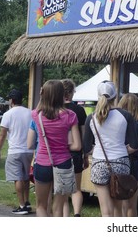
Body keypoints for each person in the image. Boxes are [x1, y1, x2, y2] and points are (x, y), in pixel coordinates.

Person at [83, 81, 138, 217]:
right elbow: (135, 145)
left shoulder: (91, 118)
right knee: (118, 209)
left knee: (105, 210)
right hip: (121, 163)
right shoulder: (125, 116)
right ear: (115, 97)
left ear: (98, 96)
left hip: (99, 164)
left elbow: (86, 147)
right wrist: (120, 150)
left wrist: (96, 151)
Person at [27, 80, 81, 217]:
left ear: (43, 94)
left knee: (41, 206)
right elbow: (77, 146)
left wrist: (41, 96)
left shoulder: (36, 115)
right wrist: (65, 144)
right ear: (62, 94)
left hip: (43, 163)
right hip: (64, 163)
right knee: (59, 207)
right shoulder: (70, 115)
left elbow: (37, 109)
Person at [0, 89, 34, 215]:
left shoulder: (8, 114)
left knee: (17, 178)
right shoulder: (30, 113)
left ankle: (21, 205)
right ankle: (27, 202)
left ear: (11, 100)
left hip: (15, 150)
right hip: (28, 150)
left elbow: (2, 135)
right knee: (26, 177)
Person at [61, 79, 87, 217]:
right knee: (76, 189)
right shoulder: (79, 110)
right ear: (71, 93)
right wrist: (86, 155)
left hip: (60, 154)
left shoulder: (55, 109)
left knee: (63, 191)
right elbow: (83, 135)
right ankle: (77, 214)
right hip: (76, 154)